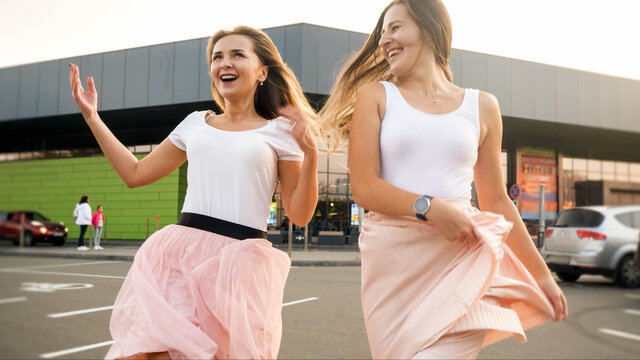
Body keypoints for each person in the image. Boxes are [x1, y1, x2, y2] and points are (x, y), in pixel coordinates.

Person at [319, 0, 568, 358]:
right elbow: (365, 188)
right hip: (393, 269)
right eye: (382, 33)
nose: (384, 41)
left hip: (460, 262)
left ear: (430, 29)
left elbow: (496, 200)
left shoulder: (482, 106)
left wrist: (542, 276)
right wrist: (429, 208)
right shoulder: (375, 97)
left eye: (395, 28)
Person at [69, 25, 318, 359]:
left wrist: (311, 153)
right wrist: (92, 117)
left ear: (262, 71)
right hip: (180, 254)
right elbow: (135, 173)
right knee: (144, 352)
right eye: (217, 57)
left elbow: (299, 215)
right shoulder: (195, 124)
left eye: (237, 55)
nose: (224, 63)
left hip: (238, 265)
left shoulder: (282, 133)